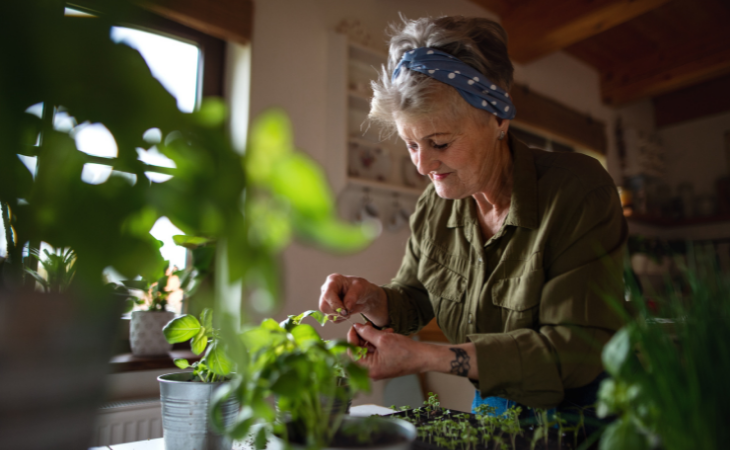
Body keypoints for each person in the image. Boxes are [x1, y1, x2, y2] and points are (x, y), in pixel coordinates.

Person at [319, 16, 627, 419]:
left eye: (440, 142)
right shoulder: (434, 206)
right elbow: (415, 299)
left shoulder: (578, 191)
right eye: (411, 145)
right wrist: (372, 298)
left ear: (498, 119)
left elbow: (576, 350)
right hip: (492, 405)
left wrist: (427, 356)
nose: (424, 165)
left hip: (581, 419)